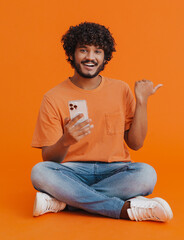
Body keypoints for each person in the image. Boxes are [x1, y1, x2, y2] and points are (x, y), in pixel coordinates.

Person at [30, 22, 173, 222]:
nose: (90, 57)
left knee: (147, 174)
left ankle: (65, 201)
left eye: (98, 51)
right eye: (83, 50)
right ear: (72, 54)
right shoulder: (53, 97)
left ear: (105, 57)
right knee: (40, 172)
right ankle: (123, 209)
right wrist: (66, 140)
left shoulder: (121, 90)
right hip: (72, 171)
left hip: (115, 170)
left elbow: (136, 144)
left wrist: (142, 102)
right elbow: (49, 159)